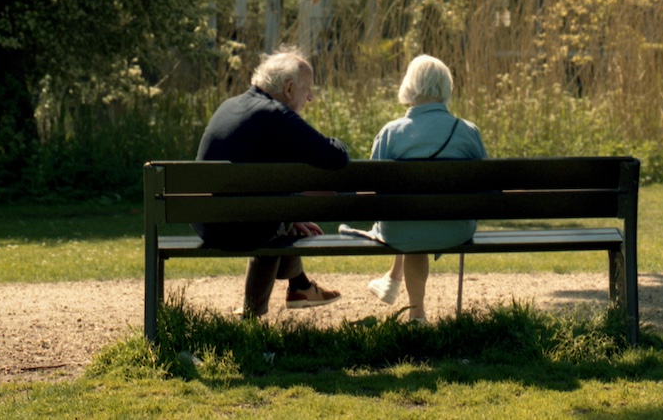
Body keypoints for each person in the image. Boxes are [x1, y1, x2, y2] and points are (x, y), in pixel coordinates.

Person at [194, 46, 348, 317]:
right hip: (242, 228)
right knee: (276, 225)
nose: (310, 98)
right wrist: (285, 216)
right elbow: (335, 157)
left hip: (205, 223)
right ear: (289, 88)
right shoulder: (276, 115)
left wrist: (286, 213)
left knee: (277, 217)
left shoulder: (230, 105)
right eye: (307, 89)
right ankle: (254, 314)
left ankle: (300, 286)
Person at [340, 54, 486, 322]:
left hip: (402, 230)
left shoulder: (391, 133)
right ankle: (394, 281)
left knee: (409, 224)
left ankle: (415, 312)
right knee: (415, 222)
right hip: (456, 228)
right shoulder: (468, 131)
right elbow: (488, 187)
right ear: (446, 87)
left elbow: (372, 189)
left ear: (410, 86)